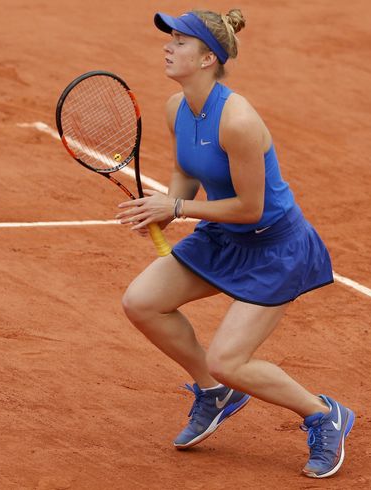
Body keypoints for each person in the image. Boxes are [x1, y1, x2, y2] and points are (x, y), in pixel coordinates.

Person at [115, 8, 355, 479]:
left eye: (180, 42)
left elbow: (251, 207)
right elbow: (186, 170)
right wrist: (164, 204)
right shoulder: (175, 107)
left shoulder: (238, 120)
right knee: (142, 302)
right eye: (171, 39)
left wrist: (177, 210)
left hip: (274, 248)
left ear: (208, 58)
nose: (168, 46)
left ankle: (324, 415)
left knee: (230, 360)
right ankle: (214, 392)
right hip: (223, 236)